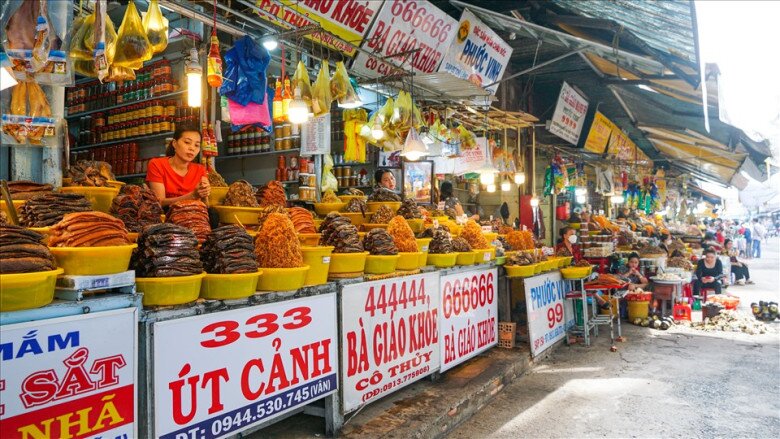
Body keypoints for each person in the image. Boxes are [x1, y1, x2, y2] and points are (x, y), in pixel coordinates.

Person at [146, 125, 211, 206]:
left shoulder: (200, 169)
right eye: (187, 142)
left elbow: (206, 205)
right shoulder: (156, 164)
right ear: (174, 143)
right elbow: (159, 202)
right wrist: (192, 196)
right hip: (166, 214)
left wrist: (204, 193)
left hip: (193, 214)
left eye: (197, 145)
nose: (192, 148)